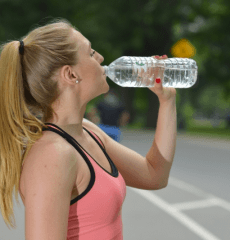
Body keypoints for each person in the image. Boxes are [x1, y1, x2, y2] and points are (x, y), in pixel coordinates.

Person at [0, 19, 177, 240]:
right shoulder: (52, 154)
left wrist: (167, 101)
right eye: (91, 53)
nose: (101, 58)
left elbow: (154, 175)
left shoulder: (89, 132)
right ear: (71, 75)